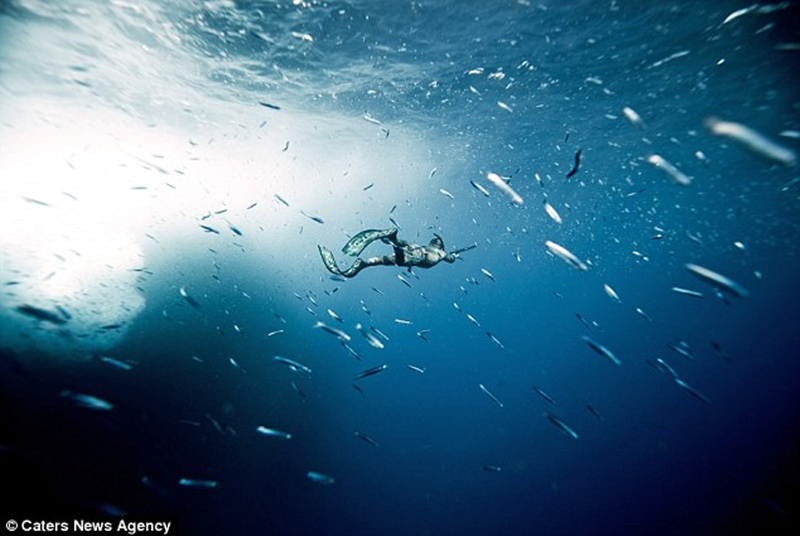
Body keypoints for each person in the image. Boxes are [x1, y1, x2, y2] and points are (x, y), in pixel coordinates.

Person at [318, 228, 475, 278]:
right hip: (421, 257)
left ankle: (365, 262)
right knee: (400, 261)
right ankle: (392, 237)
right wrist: (454, 256)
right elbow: (451, 259)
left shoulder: (426, 246)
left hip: (415, 250)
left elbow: (409, 246)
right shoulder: (440, 252)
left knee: (386, 259)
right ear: (440, 245)